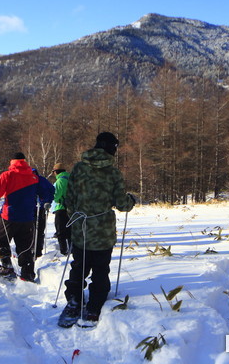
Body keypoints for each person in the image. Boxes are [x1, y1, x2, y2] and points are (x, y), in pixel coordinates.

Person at [58, 132, 136, 328]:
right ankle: (94, 306)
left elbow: (70, 198)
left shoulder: (78, 168)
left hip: (81, 230)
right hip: (103, 232)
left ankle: (74, 302)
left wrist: (75, 216)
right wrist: (131, 201)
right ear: (112, 148)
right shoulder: (113, 173)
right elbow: (122, 204)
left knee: (79, 267)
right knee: (101, 270)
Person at [0, 153, 53, 282]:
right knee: (25, 246)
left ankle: (7, 268)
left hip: (9, 216)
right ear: (25, 161)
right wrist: (45, 201)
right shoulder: (34, 176)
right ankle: (27, 273)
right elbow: (48, 190)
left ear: (12, 162)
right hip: (28, 217)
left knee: (1, 242)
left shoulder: (7, 175)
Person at [32, 168, 55, 258]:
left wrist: (48, 201)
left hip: (40, 208)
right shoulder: (41, 180)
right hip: (34, 208)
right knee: (36, 229)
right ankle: (34, 249)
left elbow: (52, 190)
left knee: (39, 229)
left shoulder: (41, 180)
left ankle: (37, 250)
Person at [51, 163, 71, 255]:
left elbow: (56, 196)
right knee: (70, 231)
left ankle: (63, 251)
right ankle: (72, 250)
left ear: (56, 172)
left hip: (61, 208)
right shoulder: (72, 179)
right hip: (72, 209)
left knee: (60, 231)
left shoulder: (59, 181)